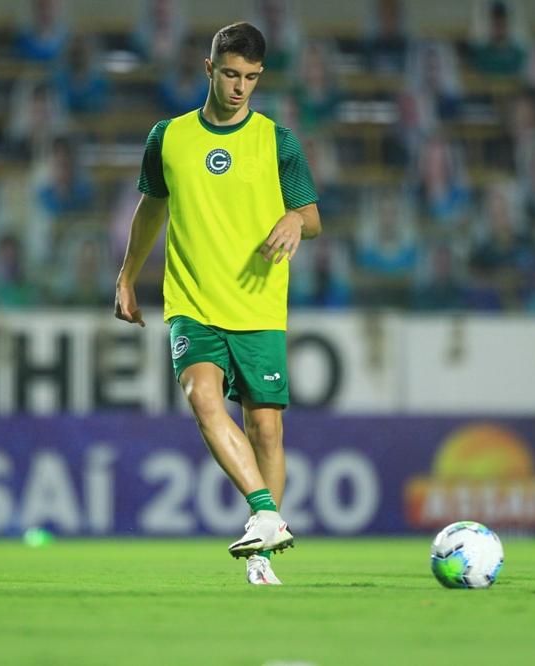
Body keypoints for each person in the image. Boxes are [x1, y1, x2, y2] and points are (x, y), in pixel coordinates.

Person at [114, 22, 321, 586]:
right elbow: (150, 210)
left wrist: (292, 219)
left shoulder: (278, 141)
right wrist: (127, 276)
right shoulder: (169, 137)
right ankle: (266, 511)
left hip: (257, 304)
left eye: (251, 78)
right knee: (202, 397)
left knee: (268, 432)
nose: (239, 88)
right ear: (209, 69)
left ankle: (262, 554)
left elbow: (313, 218)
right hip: (192, 299)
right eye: (231, 74)